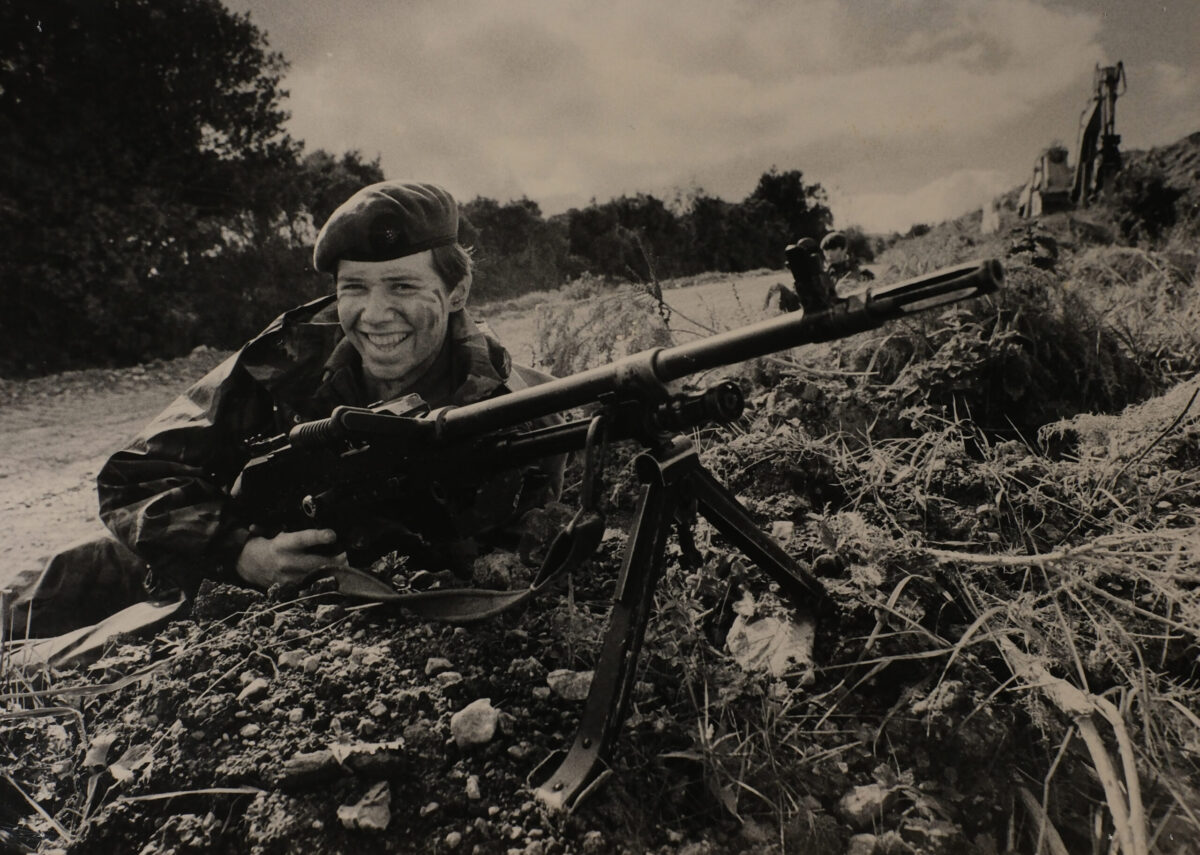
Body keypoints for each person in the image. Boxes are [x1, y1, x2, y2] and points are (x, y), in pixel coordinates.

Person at [15, 180, 564, 637]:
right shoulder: (290, 354)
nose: (375, 315)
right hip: (219, 563)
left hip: (327, 623)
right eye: (355, 288)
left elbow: (515, 565)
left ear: (458, 290)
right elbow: (131, 479)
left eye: (402, 285)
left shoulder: (514, 410)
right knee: (41, 598)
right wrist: (243, 552)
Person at [820, 231, 874, 295]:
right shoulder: (824, 275)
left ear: (844, 249)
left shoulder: (863, 273)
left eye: (833, 249)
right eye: (825, 250)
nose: (829, 254)